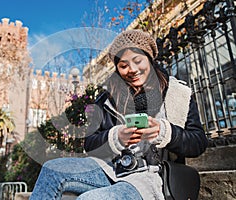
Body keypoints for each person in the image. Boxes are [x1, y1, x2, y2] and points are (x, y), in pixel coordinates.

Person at [29, 29, 208, 200]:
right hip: (109, 169)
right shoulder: (107, 98)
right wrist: (116, 137)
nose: (132, 69)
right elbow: (90, 144)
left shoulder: (177, 93)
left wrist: (163, 132)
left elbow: (198, 142)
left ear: (150, 59)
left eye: (138, 60)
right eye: (123, 65)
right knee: (52, 169)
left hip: (150, 177)